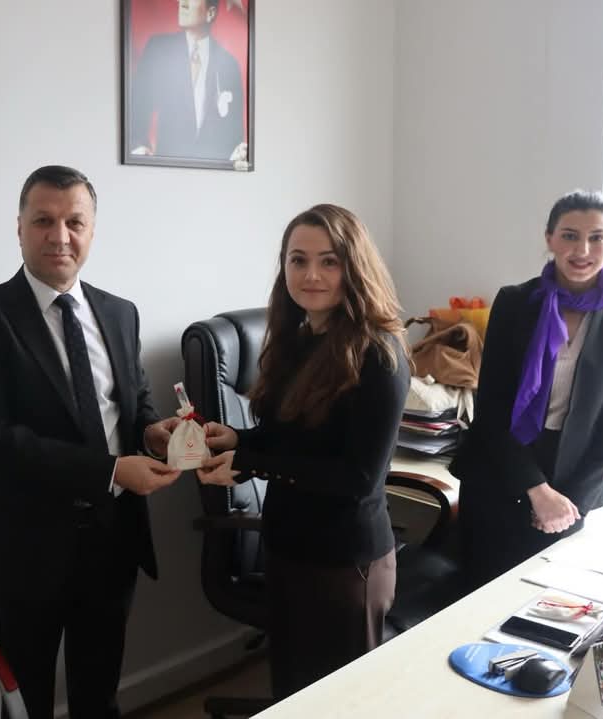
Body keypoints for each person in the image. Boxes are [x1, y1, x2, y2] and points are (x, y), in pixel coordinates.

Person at [0, 165, 182, 718]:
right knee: (26, 699)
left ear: (92, 230)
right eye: (43, 221)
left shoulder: (119, 313)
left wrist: (153, 432)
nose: (60, 236)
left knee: (99, 694)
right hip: (28, 543)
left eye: (75, 222)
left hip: (113, 538)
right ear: (20, 228)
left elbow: (132, 402)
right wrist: (111, 470)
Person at [195, 204, 410, 699]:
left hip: (344, 561)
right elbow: (291, 439)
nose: (311, 274)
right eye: (298, 260)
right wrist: (238, 440)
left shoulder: (380, 353)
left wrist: (250, 462)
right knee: (292, 694)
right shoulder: (297, 340)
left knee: (340, 702)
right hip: (288, 547)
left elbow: (357, 478)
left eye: (329, 261)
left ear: (354, 268)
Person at [450, 190, 603, 589]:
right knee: (477, 597)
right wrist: (536, 490)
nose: (583, 250)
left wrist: (569, 503)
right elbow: (491, 408)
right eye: (570, 235)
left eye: (597, 237)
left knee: (547, 602)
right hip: (500, 470)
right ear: (550, 238)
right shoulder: (514, 302)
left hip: (572, 485)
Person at [129, 0, 245, 162]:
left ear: (210, 13)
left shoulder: (229, 64)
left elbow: (235, 134)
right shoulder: (159, 49)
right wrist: (138, 149)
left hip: (213, 173)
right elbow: (138, 107)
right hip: (163, 169)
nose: (182, 4)